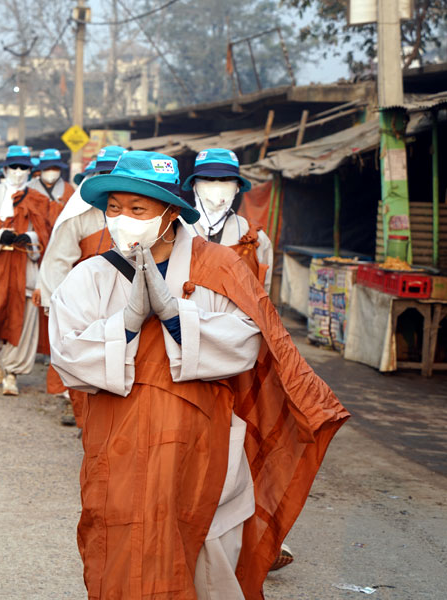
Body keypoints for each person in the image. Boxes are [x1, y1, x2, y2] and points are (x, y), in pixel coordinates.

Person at [48, 151, 349, 600]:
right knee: (121, 543)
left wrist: (175, 318)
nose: (121, 219)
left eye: (137, 210)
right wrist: (126, 325)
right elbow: (67, 352)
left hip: (205, 444)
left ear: (170, 213)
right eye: (114, 208)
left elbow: (248, 341)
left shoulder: (221, 266)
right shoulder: (92, 273)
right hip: (119, 442)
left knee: (209, 553)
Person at [36, 145, 125, 426]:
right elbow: (58, 262)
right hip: (86, 307)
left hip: (127, 304)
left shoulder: (141, 215)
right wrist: (56, 303)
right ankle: (76, 410)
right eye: (104, 174)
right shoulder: (78, 218)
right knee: (81, 359)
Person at [0, 145, 54, 396]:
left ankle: (12, 374)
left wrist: (28, 237)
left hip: (24, 263)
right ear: (5, 169)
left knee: (23, 316)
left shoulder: (38, 199)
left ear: (31, 171)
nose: (18, 172)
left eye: (24, 168)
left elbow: (46, 233)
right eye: (14, 167)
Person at [182, 148, 273, 293]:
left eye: (225, 181)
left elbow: (263, 295)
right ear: (194, 186)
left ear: (237, 187)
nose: (217, 187)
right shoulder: (175, 230)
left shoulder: (257, 239)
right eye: (208, 179)